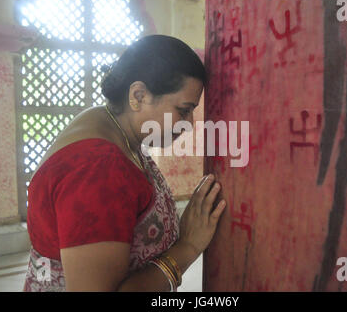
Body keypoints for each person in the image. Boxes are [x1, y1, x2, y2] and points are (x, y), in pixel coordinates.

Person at [22, 34, 226, 292]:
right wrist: (188, 247)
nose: (189, 124)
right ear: (138, 95)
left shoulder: (111, 124)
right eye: (183, 110)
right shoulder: (99, 169)